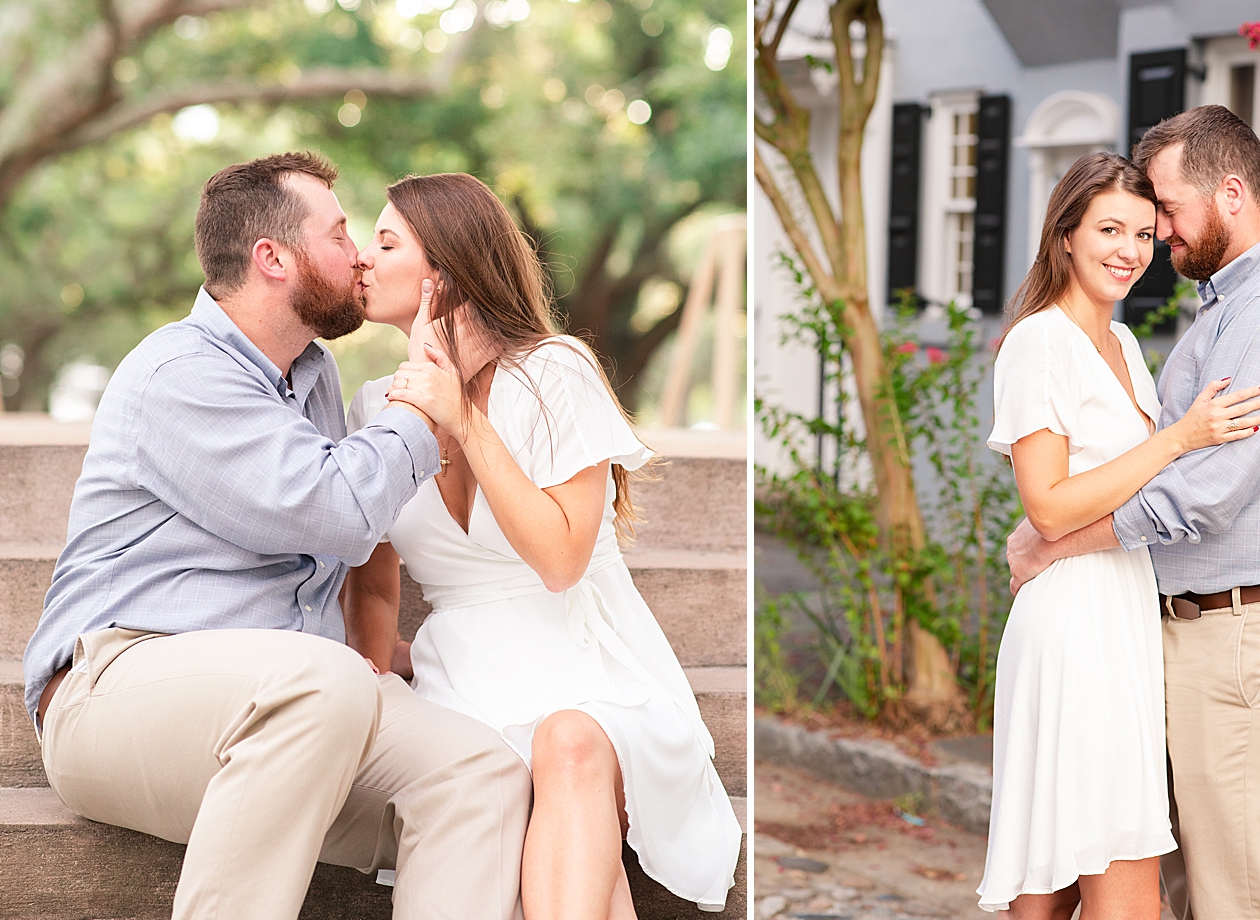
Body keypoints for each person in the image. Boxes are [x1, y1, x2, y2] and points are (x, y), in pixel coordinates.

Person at [22, 153, 532, 920]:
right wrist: (428, 397)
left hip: (288, 707)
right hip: (115, 693)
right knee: (324, 680)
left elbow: (343, 563)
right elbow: (337, 512)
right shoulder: (180, 371)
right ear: (273, 259)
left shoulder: (315, 375)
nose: (358, 254)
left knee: (480, 771)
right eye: (339, 233)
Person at [340, 172, 741, 920]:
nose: (362, 259)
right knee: (524, 802)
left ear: (445, 274)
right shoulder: (372, 409)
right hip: (463, 683)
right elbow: (370, 578)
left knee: (567, 746)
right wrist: (375, 674)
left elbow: (560, 562)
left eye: (385, 242)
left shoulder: (556, 370)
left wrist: (461, 415)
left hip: (587, 669)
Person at [1005, 104, 1260, 920]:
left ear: (1230, 193)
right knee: (1161, 878)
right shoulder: (1228, 302)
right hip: (1177, 631)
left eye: (1165, 209)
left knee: (1238, 897)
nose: (1154, 232)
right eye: (1128, 221)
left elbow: (1209, 488)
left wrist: (1057, 544)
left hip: (1249, 639)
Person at [976, 151, 1260, 918]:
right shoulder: (1040, 342)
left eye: (1145, 233)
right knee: (1114, 867)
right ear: (1065, 234)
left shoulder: (1126, 348)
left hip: (1121, 612)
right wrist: (1181, 438)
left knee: (1057, 879)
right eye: (1110, 228)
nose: (1130, 251)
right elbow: (1048, 504)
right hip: (1073, 627)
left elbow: (1098, 489)